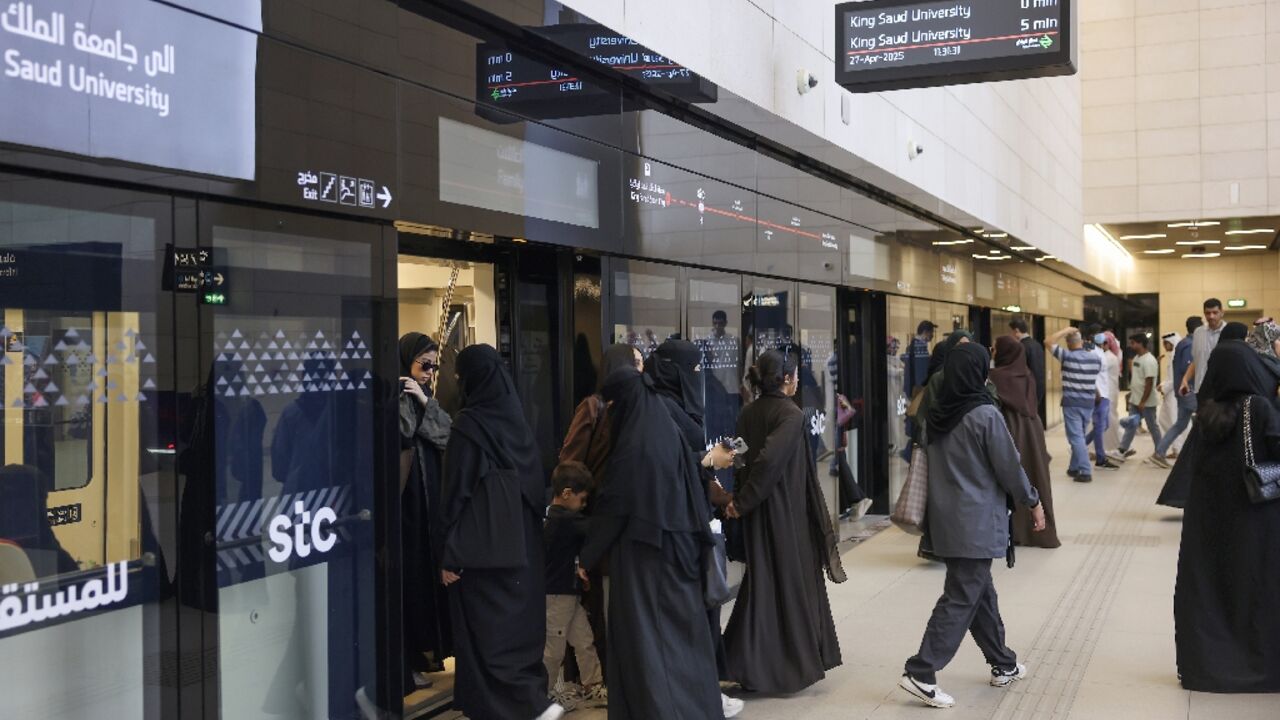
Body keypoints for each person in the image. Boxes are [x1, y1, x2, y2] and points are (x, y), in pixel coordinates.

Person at [899, 343, 1046, 709]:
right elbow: (1009, 467)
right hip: (977, 522)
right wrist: (1033, 501)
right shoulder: (984, 415)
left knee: (980, 593)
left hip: (947, 522)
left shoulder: (936, 415)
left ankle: (1003, 663)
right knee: (963, 596)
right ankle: (922, 671)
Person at [578, 360, 724, 720]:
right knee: (679, 643)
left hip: (646, 558)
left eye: (611, 405)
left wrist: (585, 556)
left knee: (649, 646)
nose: (610, 412)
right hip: (677, 551)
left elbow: (615, 505)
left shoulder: (634, 444)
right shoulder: (661, 427)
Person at [438, 345, 560, 720]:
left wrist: (447, 553)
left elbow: (455, 494)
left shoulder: (469, 427)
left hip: (481, 556)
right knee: (518, 633)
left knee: (486, 636)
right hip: (523, 551)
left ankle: (517, 707)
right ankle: (532, 700)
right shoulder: (518, 423)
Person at [723, 348, 846, 695]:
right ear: (788, 379)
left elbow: (743, 458)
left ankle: (745, 661)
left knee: (765, 583)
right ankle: (783, 665)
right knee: (788, 583)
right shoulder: (790, 415)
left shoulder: (749, 411)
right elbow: (768, 464)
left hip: (759, 512)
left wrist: (741, 501)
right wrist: (742, 502)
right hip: (784, 513)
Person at [643, 338, 742, 718]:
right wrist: (705, 461)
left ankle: (706, 690)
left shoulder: (675, 405)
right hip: (676, 528)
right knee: (694, 615)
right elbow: (664, 465)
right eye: (693, 369)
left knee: (706, 611)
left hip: (695, 520)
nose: (698, 377)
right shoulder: (658, 409)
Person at [1174, 340, 1280, 692]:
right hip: (1256, 520)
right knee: (1253, 589)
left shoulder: (1205, 414)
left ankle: (1207, 667)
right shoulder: (1260, 407)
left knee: (1211, 591)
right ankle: (1258, 666)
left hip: (1209, 522)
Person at [556, 343, 643, 687]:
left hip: (618, 520)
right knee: (595, 602)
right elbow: (570, 460)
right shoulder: (594, 407)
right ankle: (595, 678)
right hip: (594, 518)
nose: (640, 370)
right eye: (634, 363)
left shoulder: (636, 409)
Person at [398, 332, 454, 689]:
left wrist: (424, 399)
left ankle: (421, 656)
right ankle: (408, 662)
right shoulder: (398, 398)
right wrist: (418, 401)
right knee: (410, 582)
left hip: (427, 505)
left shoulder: (423, 397)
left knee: (424, 581)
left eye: (434, 366)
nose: (429, 373)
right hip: (406, 507)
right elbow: (405, 435)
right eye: (424, 364)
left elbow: (447, 435)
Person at [542, 461, 607, 709]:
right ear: (567, 494)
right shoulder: (565, 521)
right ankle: (543, 695)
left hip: (567, 595)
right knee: (554, 650)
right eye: (582, 500)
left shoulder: (551, 516)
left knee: (583, 639)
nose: (583, 506)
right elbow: (596, 529)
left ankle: (592, 684)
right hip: (557, 596)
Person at [990, 336, 1061, 548]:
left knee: (1008, 475)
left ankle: (1013, 530)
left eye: (995, 350)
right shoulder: (1027, 374)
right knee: (1033, 474)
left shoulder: (995, 377)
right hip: (1032, 428)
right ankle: (1037, 529)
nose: (993, 353)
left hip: (1008, 427)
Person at [1046, 327, 1102, 483]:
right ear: (1082, 341)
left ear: (1068, 344)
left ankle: (1085, 471)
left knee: (1076, 437)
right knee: (1080, 436)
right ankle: (1073, 467)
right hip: (1088, 403)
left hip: (1072, 403)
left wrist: (1066, 330)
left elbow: (1048, 341)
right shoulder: (1095, 359)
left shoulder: (1067, 356)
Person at [1117, 334, 1163, 463]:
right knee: (1131, 425)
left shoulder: (1149, 360)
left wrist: (1143, 401)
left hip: (1146, 402)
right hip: (1135, 400)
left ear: (1141, 343)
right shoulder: (1137, 358)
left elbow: (1149, 383)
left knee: (1152, 426)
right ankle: (1122, 449)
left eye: (1133, 343)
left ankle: (1160, 452)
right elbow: (1137, 379)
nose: (1131, 346)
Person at [1084, 332, 1122, 470]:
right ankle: (1100, 459)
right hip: (1099, 396)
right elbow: (1091, 375)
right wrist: (1097, 392)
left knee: (1103, 426)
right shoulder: (1095, 354)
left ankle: (1080, 446)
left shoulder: (1101, 354)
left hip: (1104, 395)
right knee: (1100, 427)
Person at [1155, 331, 1191, 463]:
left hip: (1174, 395)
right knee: (1164, 420)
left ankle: (1179, 450)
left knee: (1176, 422)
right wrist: (1163, 385)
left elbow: (1177, 377)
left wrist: (1164, 387)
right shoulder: (1171, 356)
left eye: (1166, 343)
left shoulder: (1177, 355)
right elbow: (1170, 377)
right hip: (1169, 393)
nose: (1164, 345)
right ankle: (1176, 448)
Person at [1179, 298, 1225, 398]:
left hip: (1222, 390)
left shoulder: (1229, 331)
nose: (1211, 316)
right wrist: (1185, 379)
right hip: (1201, 389)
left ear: (1222, 313)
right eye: (1208, 313)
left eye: (1215, 312)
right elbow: (1196, 360)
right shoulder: (1198, 332)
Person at [1010, 318, 1045, 406]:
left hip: (1027, 389)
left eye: (1012, 331)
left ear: (1016, 331)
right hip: (1039, 387)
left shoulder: (1021, 347)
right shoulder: (1037, 345)